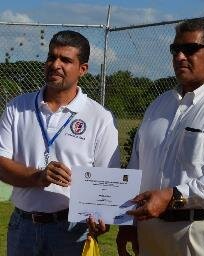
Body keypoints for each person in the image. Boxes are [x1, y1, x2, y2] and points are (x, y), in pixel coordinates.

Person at [116, 18, 204, 256]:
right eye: (175, 49)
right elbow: (137, 167)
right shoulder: (159, 105)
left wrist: (175, 195)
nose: (180, 56)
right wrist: (129, 222)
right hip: (152, 230)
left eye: (190, 49)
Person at [0, 30, 119, 256]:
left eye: (65, 60)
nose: (55, 64)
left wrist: (102, 216)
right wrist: (39, 177)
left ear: (82, 69)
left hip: (71, 230)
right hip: (22, 226)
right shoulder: (17, 107)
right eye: (51, 57)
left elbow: (108, 179)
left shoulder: (99, 117)